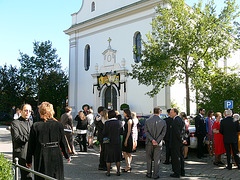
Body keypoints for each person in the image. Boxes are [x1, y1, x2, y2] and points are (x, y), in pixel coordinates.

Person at [26, 102, 70, 180]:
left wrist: (29, 161)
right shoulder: (58, 125)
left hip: (41, 155)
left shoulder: (36, 126)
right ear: (52, 112)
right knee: (56, 177)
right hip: (56, 154)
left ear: (40, 112)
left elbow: (31, 146)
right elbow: (63, 142)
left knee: (42, 177)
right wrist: (67, 155)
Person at [11, 104, 33, 180]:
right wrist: (30, 135)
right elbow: (17, 138)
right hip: (21, 153)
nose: (28, 112)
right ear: (20, 111)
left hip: (30, 153)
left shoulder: (31, 123)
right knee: (27, 176)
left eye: (30, 111)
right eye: (26, 110)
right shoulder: (15, 123)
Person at [145, 107, 166, 179]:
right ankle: (155, 175)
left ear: (153, 112)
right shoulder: (163, 122)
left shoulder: (147, 121)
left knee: (149, 158)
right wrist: (157, 141)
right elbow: (163, 133)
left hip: (149, 143)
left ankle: (149, 173)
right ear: (160, 112)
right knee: (157, 159)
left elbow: (146, 132)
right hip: (158, 143)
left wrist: (152, 140)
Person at [103, 110, 123, 176]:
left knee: (108, 157)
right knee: (117, 157)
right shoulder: (119, 122)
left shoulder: (107, 123)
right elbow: (121, 132)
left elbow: (104, 133)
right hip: (117, 140)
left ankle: (108, 172)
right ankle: (118, 171)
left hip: (108, 141)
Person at [169, 108, 186, 178]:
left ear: (175, 113)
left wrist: (181, 139)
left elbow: (177, 132)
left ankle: (177, 172)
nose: (170, 114)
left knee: (176, 158)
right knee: (181, 156)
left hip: (176, 142)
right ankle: (182, 171)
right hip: (180, 142)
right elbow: (183, 130)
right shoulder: (180, 120)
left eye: (171, 112)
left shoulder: (176, 120)